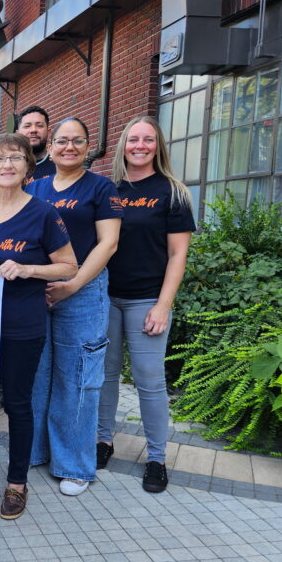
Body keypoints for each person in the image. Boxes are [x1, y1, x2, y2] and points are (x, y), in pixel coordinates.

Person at [0, 133, 77, 520]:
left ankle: (17, 483)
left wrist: (28, 269)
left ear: (27, 168)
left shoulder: (42, 212)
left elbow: (69, 266)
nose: (7, 165)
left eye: (16, 159)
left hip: (23, 324)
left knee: (18, 403)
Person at [98, 117, 195, 493]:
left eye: (148, 139)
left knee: (150, 382)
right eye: (134, 138)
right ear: (124, 144)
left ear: (158, 146)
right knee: (103, 377)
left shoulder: (172, 192)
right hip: (105, 297)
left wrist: (163, 305)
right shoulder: (109, 189)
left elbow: (178, 255)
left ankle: (156, 458)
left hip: (146, 300)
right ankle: (102, 441)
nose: (140, 145)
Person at [28, 117, 123, 497]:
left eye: (77, 141)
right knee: (38, 374)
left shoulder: (101, 187)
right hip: (38, 289)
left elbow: (108, 243)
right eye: (62, 141)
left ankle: (74, 465)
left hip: (83, 291)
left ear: (89, 147)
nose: (69, 147)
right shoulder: (34, 187)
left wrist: (73, 284)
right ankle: (35, 452)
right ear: (49, 146)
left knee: (78, 378)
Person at [17, 106, 55, 180]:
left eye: (39, 125)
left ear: (49, 132)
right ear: (18, 134)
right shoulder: (7, 168)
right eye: (27, 126)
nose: (33, 130)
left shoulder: (61, 166)